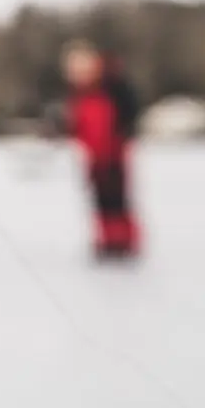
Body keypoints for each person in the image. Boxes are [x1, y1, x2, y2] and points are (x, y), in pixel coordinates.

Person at [61, 38, 140, 260]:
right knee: (100, 200)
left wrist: (118, 144)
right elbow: (77, 125)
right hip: (94, 157)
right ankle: (107, 240)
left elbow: (125, 120)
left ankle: (123, 241)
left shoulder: (112, 89)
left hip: (113, 154)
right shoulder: (78, 95)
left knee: (117, 199)